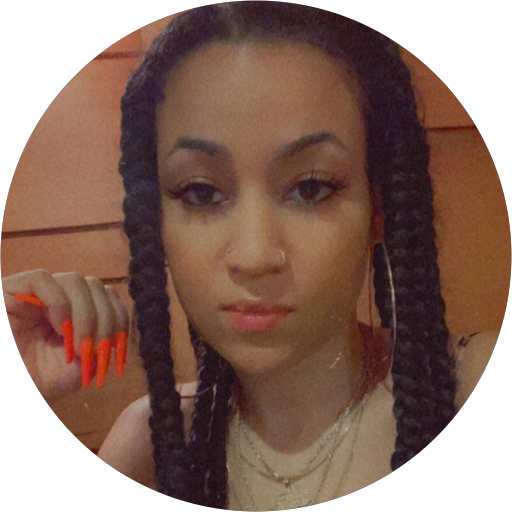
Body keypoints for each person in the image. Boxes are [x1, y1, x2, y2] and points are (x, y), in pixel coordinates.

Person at [3, 3, 499, 509]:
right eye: (200, 193)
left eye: (310, 188)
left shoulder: (466, 383)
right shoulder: (149, 448)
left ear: (379, 207)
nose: (256, 255)